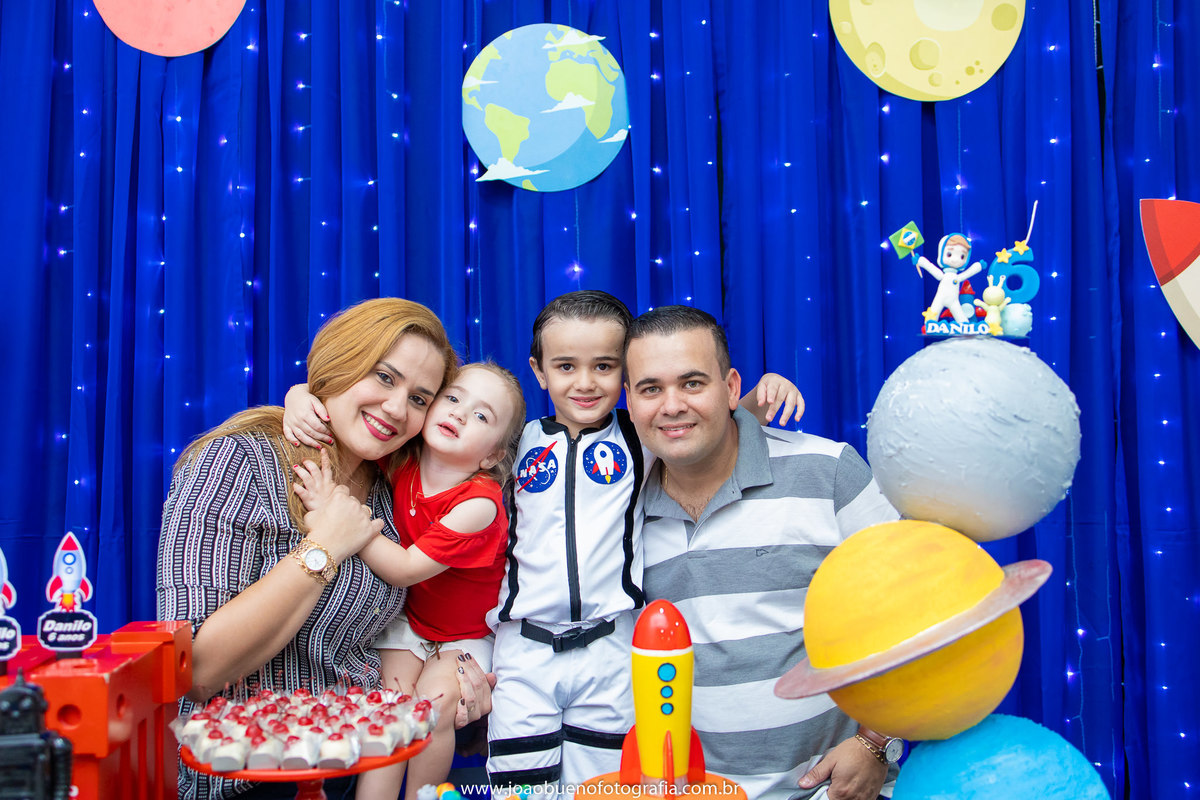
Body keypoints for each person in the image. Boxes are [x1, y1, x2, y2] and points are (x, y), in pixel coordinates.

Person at [156, 298, 489, 800]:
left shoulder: (395, 486)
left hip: (365, 770)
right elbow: (197, 671)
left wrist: (459, 668)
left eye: (420, 399)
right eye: (383, 377)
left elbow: (427, 615)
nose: (398, 409)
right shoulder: (241, 462)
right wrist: (324, 547)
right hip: (252, 776)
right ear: (340, 364)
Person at [623, 305, 902, 800]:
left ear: (731, 388)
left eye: (692, 383)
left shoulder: (827, 471)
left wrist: (875, 742)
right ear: (629, 399)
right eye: (651, 388)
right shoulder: (619, 505)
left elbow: (915, 608)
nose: (671, 405)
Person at [290, 362, 526, 800]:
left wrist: (334, 514)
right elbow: (342, 413)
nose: (458, 414)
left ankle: (424, 794)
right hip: (411, 624)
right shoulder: (402, 458)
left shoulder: (481, 503)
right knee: (391, 710)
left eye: (481, 416)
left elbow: (401, 567)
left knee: (432, 710)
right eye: (453, 399)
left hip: (464, 637)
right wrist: (297, 397)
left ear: (492, 456)